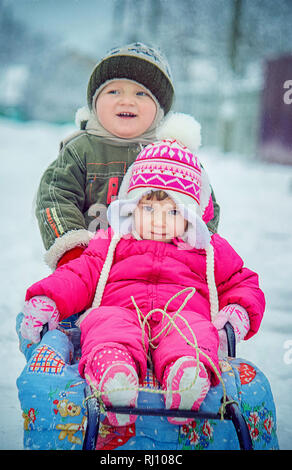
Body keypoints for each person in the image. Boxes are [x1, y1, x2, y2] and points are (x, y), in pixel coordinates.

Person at [21, 119, 265, 427]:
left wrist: (239, 309)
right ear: (132, 207)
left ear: (190, 215)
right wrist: (49, 299)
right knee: (104, 322)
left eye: (173, 212)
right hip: (122, 312)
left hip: (180, 316)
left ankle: (186, 377)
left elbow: (242, 281)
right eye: (149, 209)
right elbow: (79, 274)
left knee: (194, 330)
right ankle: (115, 377)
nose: (159, 220)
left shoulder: (207, 249)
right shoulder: (112, 243)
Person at [34, 42, 220, 271]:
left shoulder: (172, 156)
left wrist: (194, 250)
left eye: (141, 93)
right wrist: (72, 252)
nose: (127, 101)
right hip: (89, 266)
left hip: (158, 271)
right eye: (114, 91)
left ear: (160, 108)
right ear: (94, 102)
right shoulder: (81, 150)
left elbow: (203, 206)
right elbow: (55, 197)